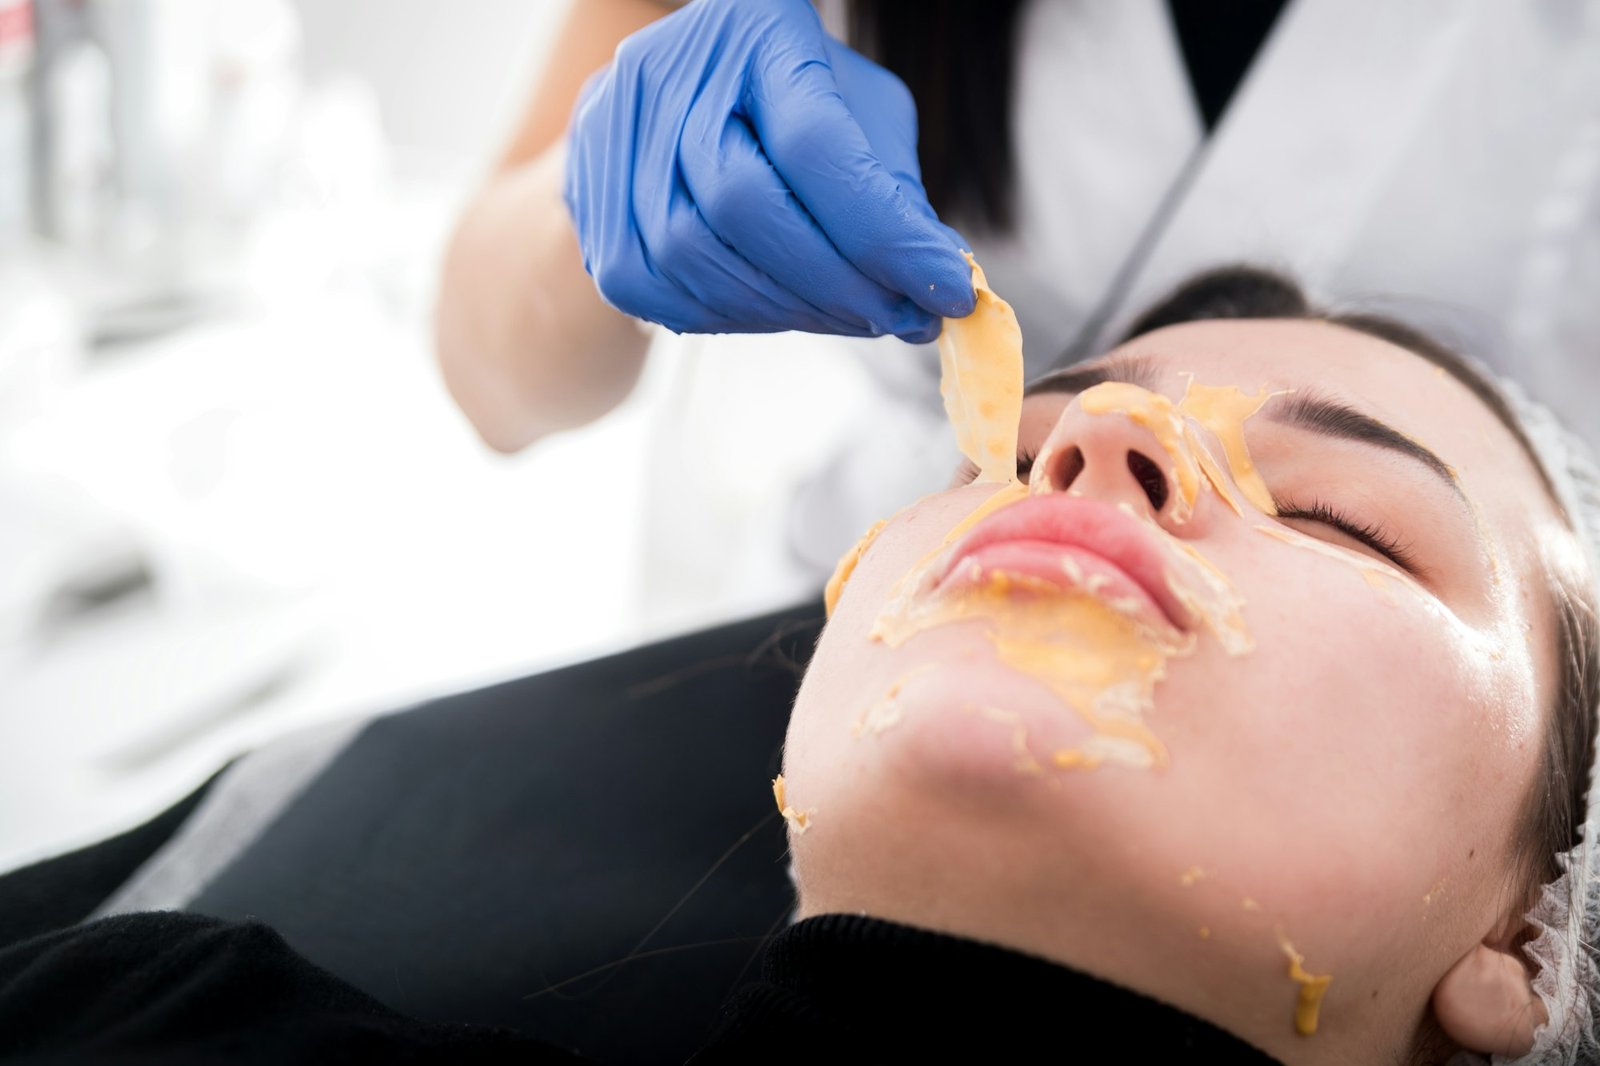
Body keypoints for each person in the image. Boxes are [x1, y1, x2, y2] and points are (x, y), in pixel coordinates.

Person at [2, 266, 1597, 1064]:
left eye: (1340, 516)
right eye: (1014, 446)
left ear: (1533, 935)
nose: (1098, 441)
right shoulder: (139, 1014)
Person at [435, 0, 1600, 598]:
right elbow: (489, 382)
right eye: (1038, 444)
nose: (1096, 448)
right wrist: (597, 213)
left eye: (1343, 522)